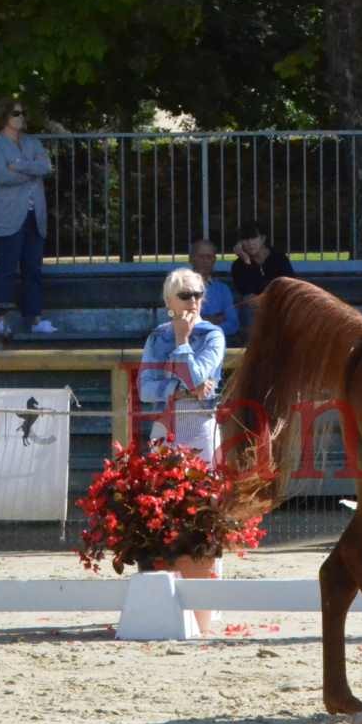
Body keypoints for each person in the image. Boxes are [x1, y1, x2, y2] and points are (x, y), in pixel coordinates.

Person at [138, 267, 228, 636]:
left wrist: (184, 342)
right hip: (168, 423)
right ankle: (167, 588)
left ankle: (210, 598)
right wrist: (179, 387)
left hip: (202, 426)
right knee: (161, 501)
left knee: (207, 505)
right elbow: (146, 388)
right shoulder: (156, 337)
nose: (194, 301)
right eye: (186, 295)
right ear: (169, 301)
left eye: (198, 294)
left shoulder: (213, 334)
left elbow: (201, 378)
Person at [0, 98, 57, 335]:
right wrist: (30, 172)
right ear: (5, 116)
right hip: (7, 216)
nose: (21, 117)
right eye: (17, 113)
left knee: (33, 269)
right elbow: (1, 176)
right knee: (6, 268)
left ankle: (35, 319)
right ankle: (1, 320)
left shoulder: (32, 142)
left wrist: (19, 165)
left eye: (23, 113)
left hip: (34, 215)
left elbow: (46, 166)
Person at [230, 220, 295, 314]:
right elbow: (249, 292)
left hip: (280, 305)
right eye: (245, 239)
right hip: (256, 309)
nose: (250, 243)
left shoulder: (279, 258)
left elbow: (289, 286)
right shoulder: (238, 266)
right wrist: (247, 262)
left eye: (254, 238)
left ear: (263, 238)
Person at [189, 238, 238, 338]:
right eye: (201, 256)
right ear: (191, 259)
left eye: (209, 257)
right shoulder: (180, 287)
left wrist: (202, 321)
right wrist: (215, 321)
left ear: (214, 260)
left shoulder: (223, 290)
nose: (205, 261)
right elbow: (181, 324)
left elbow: (233, 324)